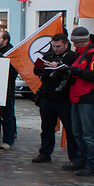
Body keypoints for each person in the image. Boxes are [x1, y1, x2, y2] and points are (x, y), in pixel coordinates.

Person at [32, 32, 79, 166]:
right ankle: (45, 153)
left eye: (58, 46)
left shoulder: (72, 57)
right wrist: (44, 67)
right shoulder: (48, 55)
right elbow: (36, 70)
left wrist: (59, 67)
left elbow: (73, 73)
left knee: (70, 129)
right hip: (47, 96)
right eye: (54, 46)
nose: (56, 49)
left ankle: (74, 157)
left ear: (66, 44)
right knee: (46, 127)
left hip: (64, 98)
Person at [67, 26, 94, 177]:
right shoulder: (80, 55)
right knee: (78, 133)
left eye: (77, 43)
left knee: (89, 134)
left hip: (88, 98)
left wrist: (76, 72)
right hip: (77, 97)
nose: (75, 45)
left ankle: (92, 165)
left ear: (84, 41)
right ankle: (81, 162)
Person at [0, 30, 18, 149]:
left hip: (7, 88)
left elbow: (14, 72)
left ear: (5, 40)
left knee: (7, 115)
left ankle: (8, 140)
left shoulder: (12, 53)